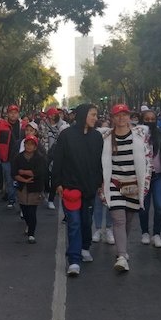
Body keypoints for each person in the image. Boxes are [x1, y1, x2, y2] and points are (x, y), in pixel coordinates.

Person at [52, 104, 104, 277]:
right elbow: (58, 159)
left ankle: (84, 247)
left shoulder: (97, 137)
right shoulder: (66, 135)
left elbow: (99, 163)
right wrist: (57, 182)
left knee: (85, 221)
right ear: (83, 115)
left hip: (89, 188)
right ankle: (74, 260)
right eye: (93, 115)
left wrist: (99, 182)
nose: (96, 118)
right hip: (70, 188)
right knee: (73, 223)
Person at [101, 105, 152, 272]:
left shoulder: (140, 136)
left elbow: (148, 161)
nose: (121, 118)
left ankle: (122, 248)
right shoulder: (106, 138)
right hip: (114, 184)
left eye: (124, 115)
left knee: (128, 221)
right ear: (112, 118)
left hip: (133, 185)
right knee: (118, 220)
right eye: (118, 115)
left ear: (130, 117)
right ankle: (122, 255)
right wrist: (101, 185)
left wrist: (144, 184)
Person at [140, 109, 161, 248]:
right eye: (147, 118)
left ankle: (156, 234)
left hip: (159, 176)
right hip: (143, 177)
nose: (150, 121)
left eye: (153, 119)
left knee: (160, 206)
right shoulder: (137, 136)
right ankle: (145, 232)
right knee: (144, 207)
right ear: (143, 119)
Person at [12, 135, 48, 244]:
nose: (29, 146)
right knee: (24, 209)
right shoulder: (18, 157)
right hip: (22, 187)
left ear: (35, 147)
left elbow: (39, 172)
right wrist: (23, 179)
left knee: (32, 210)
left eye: (32, 144)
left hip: (35, 187)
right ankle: (28, 224)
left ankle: (31, 234)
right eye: (27, 144)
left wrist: (24, 172)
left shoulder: (40, 158)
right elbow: (14, 173)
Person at [0, 105, 22, 209]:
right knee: (9, 180)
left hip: (21, 158)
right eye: (11, 112)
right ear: (7, 114)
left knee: (20, 179)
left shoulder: (23, 126)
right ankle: (12, 199)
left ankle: (21, 200)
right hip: (6, 158)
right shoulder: (1, 126)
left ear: (18, 114)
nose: (13, 114)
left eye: (15, 112)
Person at [41, 107, 68, 210]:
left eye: (55, 114)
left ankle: (51, 199)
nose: (54, 116)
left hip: (59, 153)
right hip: (46, 152)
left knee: (54, 175)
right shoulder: (43, 124)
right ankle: (46, 191)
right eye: (51, 115)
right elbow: (42, 137)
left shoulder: (64, 125)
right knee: (45, 174)